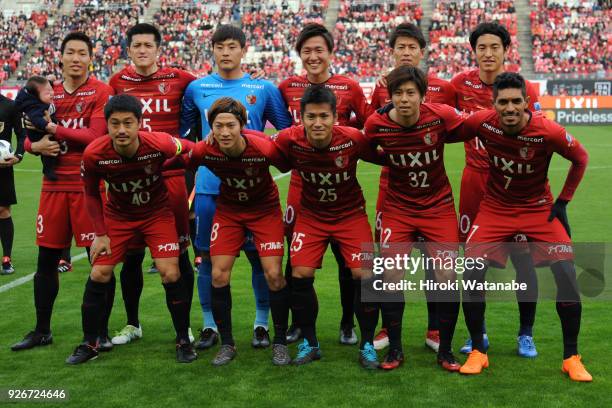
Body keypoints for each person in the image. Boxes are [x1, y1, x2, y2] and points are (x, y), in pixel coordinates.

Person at [458, 72, 591, 382]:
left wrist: (563, 202)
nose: (509, 108)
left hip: (538, 209)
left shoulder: (547, 130)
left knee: (567, 275)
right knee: (472, 271)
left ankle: (571, 357)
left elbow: (581, 157)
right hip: (495, 209)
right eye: (502, 102)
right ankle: (478, 350)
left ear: (527, 103)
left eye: (516, 101)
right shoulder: (482, 122)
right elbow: (445, 127)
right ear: (493, 104)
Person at [180, 24, 292, 350]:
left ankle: (261, 323)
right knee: (207, 261)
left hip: (255, 192)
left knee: (260, 260)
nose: (226, 52)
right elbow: (186, 138)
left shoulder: (264, 89)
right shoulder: (196, 89)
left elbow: (284, 136)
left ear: (244, 50)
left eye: (232, 46)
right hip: (209, 190)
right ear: (212, 50)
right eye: (219, 46)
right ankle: (209, 325)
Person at [66, 94, 196, 364]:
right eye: (115, 124)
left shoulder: (159, 142)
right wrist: (100, 233)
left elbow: (191, 149)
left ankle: (183, 340)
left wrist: (175, 165)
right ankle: (89, 343)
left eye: (128, 123)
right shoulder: (95, 154)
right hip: (118, 218)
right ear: (108, 125)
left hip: (157, 215)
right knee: (100, 272)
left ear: (140, 123)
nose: (121, 130)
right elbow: (90, 193)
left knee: (171, 273)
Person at [12, 32, 114, 352]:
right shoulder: (47, 93)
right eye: (70, 52)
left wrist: (54, 130)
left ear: (90, 59)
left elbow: (96, 136)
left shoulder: (101, 91)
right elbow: (26, 134)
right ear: (60, 57)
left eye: (82, 53)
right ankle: (42, 329)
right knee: (46, 260)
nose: (75, 58)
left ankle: (102, 331)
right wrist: (34, 145)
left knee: (100, 261)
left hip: (88, 187)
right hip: (53, 188)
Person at [364, 66, 466, 372]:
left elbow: (474, 127)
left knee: (447, 277)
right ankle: (395, 348)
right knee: (392, 275)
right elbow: (365, 149)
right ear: (389, 96)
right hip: (398, 209)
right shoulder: (376, 124)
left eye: (411, 93)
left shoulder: (441, 116)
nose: (404, 99)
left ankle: (445, 350)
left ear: (422, 96)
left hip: (439, 207)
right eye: (398, 93)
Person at [274, 86, 384, 368]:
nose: (318, 122)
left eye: (324, 116)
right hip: (311, 216)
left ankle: (368, 344)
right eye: (311, 116)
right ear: (301, 118)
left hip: (351, 215)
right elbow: (263, 149)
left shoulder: (352, 139)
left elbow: (385, 154)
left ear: (336, 117)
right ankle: (310, 343)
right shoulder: (289, 139)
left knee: (366, 274)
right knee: (299, 273)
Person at [278, 23, 373, 345]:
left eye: (319, 50)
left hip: (341, 182)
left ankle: (348, 323)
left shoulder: (349, 86)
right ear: (300, 55)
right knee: (297, 260)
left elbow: (368, 127)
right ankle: (298, 323)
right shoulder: (287, 87)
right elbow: (280, 131)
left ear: (331, 52)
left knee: (349, 263)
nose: (314, 56)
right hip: (302, 187)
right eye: (307, 51)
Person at [451, 23, 542, 357]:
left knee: (524, 260)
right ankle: (479, 334)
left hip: (513, 186)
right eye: (481, 48)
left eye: (494, 47)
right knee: (475, 264)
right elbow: (431, 108)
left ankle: (526, 333)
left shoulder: (525, 87)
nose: (487, 54)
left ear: (506, 50)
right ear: (473, 51)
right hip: (475, 182)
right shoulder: (459, 84)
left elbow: (540, 134)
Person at [108, 22, 197, 347]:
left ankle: (184, 327)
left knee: (179, 256)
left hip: (171, 178)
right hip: (129, 182)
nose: (143, 50)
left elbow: (201, 105)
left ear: (159, 49)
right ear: (128, 50)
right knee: (130, 258)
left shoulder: (181, 79)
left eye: (149, 45)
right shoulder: (117, 82)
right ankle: (133, 323)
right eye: (137, 45)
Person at [188, 97, 291, 366]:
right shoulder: (204, 150)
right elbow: (178, 163)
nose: (224, 132)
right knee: (218, 275)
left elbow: (288, 164)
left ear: (242, 125)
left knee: (274, 275)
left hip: (264, 211)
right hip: (229, 212)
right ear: (210, 127)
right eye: (218, 126)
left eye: (230, 125)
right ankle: (228, 344)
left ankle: (280, 342)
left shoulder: (263, 147)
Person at [0, 92, 25, 275]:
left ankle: (6, 259)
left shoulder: (10, 105)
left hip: (2, 166)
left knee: (2, 210)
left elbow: (21, 134)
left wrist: (18, 156)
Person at [15, 76, 58, 180]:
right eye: (48, 93)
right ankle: (48, 170)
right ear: (37, 96)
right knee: (50, 150)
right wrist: (47, 125)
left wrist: (50, 82)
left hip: (40, 132)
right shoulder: (35, 107)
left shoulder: (39, 99)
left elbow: (44, 88)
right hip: (38, 134)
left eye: (52, 90)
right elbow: (36, 119)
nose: (52, 93)